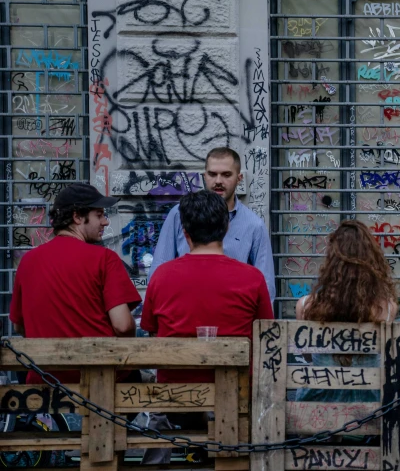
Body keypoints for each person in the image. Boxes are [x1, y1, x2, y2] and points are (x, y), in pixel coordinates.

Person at [140, 190, 274, 465]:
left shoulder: (161, 277)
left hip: (175, 398)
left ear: (185, 231)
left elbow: (152, 331)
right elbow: (265, 333)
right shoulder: (252, 278)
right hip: (235, 397)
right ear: (226, 227)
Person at [9, 183, 141, 384]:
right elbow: (122, 325)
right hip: (99, 379)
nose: (105, 222)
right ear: (78, 217)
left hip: (45, 382)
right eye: (99, 214)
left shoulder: (27, 261)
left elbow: (19, 326)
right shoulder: (104, 258)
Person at [149, 147, 275, 302]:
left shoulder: (254, 225)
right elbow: (158, 270)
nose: (218, 181)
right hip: (184, 311)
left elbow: (266, 285)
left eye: (226, 174)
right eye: (212, 174)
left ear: (239, 178)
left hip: (233, 315)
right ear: (204, 176)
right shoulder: (180, 214)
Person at [295, 220, 398, 404]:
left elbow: (307, 355)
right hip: (369, 404)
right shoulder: (387, 309)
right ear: (371, 262)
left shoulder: (306, 306)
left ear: (331, 263)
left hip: (320, 408)